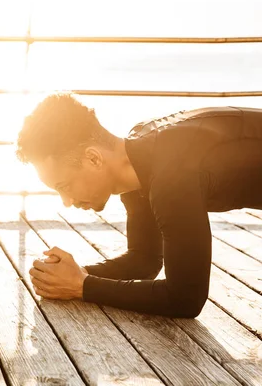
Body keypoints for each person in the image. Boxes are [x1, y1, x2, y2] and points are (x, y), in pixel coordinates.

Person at [16, 93, 262, 318]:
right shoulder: (138, 158)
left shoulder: (171, 177)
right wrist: (76, 274)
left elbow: (186, 298)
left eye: (65, 185)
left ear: (93, 158)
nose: (66, 202)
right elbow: (144, 260)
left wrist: (81, 286)